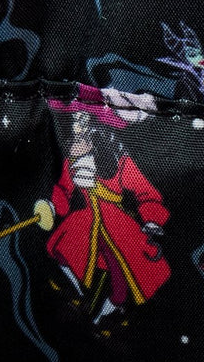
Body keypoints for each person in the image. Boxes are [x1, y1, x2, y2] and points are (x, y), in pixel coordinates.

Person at [45, 85, 170, 324]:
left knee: (121, 273)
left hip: (117, 224)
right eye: (74, 133)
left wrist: (152, 220)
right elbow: (62, 191)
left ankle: (109, 314)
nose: (75, 140)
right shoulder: (72, 162)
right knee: (63, 251)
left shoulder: (120, 162)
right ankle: (77, 294)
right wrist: (51, 208)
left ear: (95, 135)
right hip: (86, 220)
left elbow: (145, 191)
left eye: (81, 134)